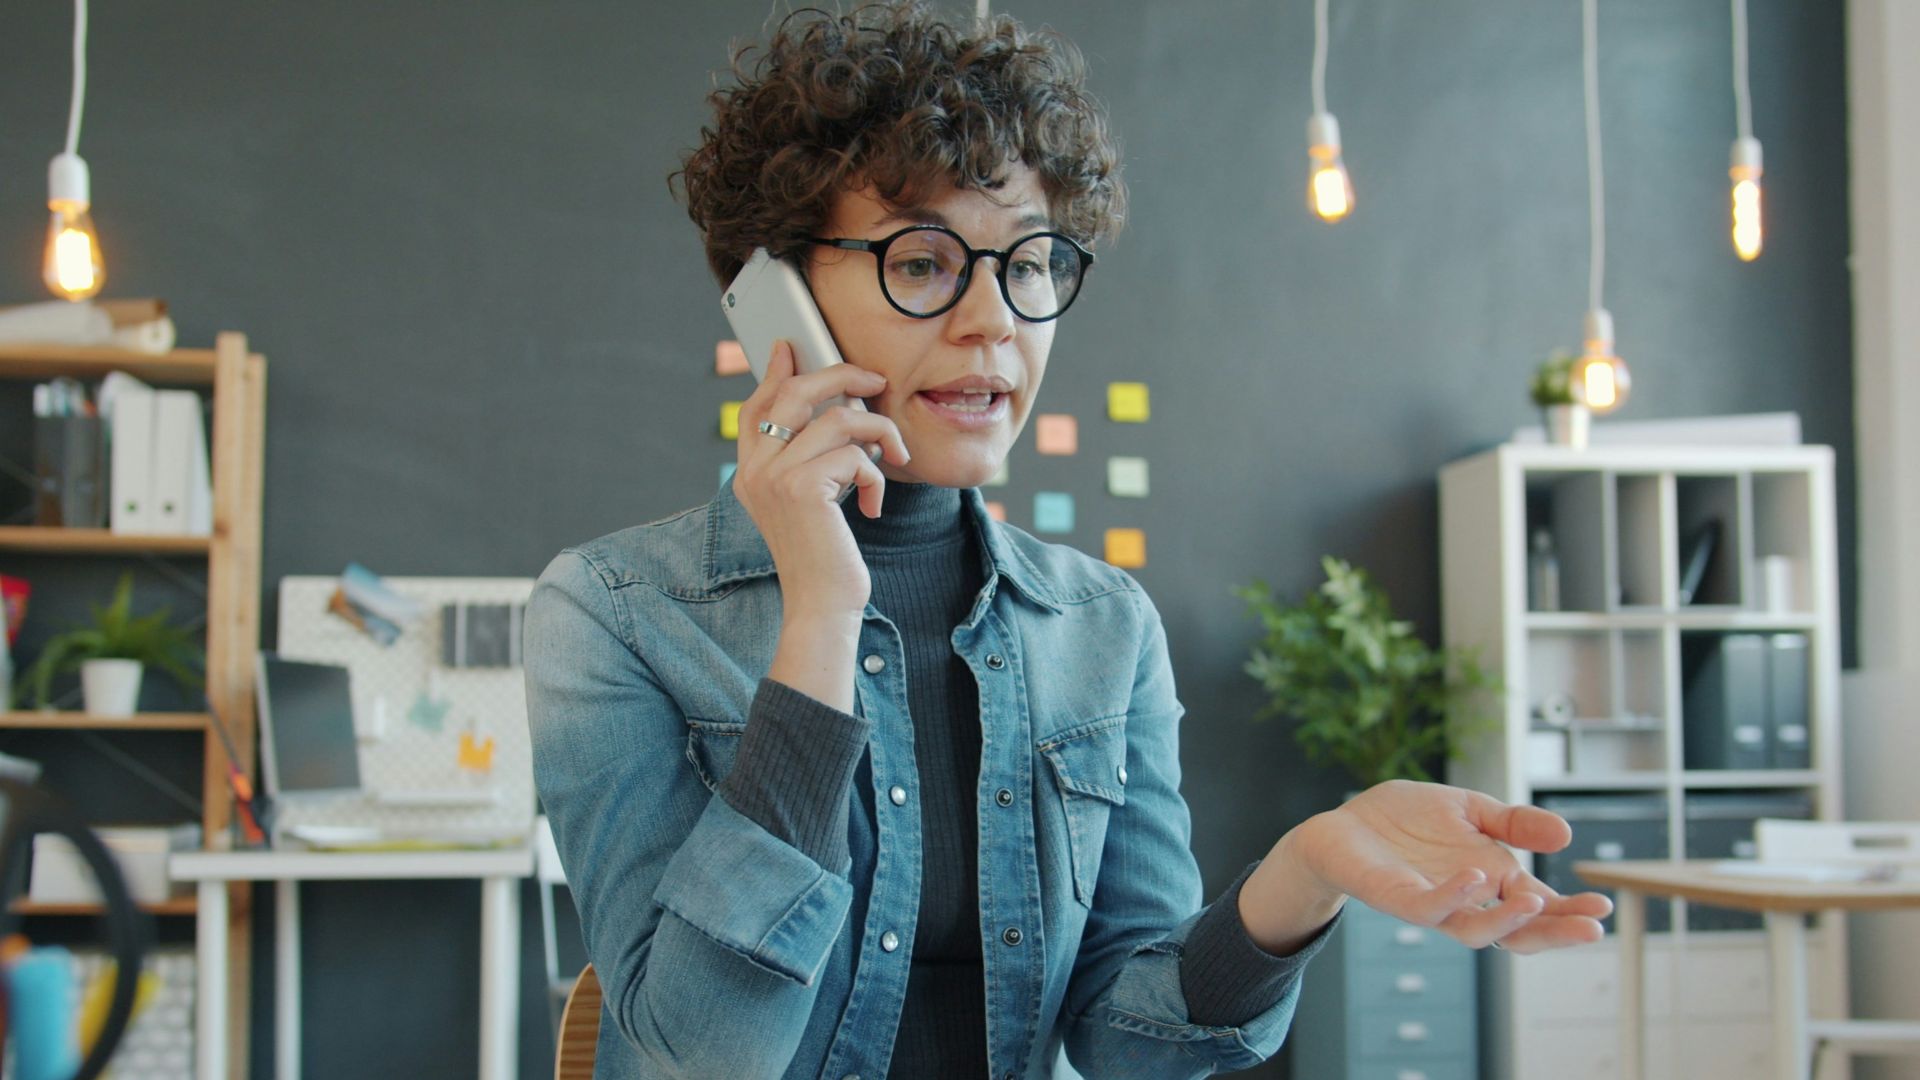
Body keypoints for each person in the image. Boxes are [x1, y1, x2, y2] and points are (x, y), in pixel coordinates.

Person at [522, 4, 1612, 1077]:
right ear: (773, 297)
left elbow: (1126, 1038)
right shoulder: (613, 612)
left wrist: (1304, 873)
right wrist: (818, 620)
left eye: (1031, 263)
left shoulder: (1098, 625)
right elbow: (699, 1051)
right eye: (922, 261)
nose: (995, 318)